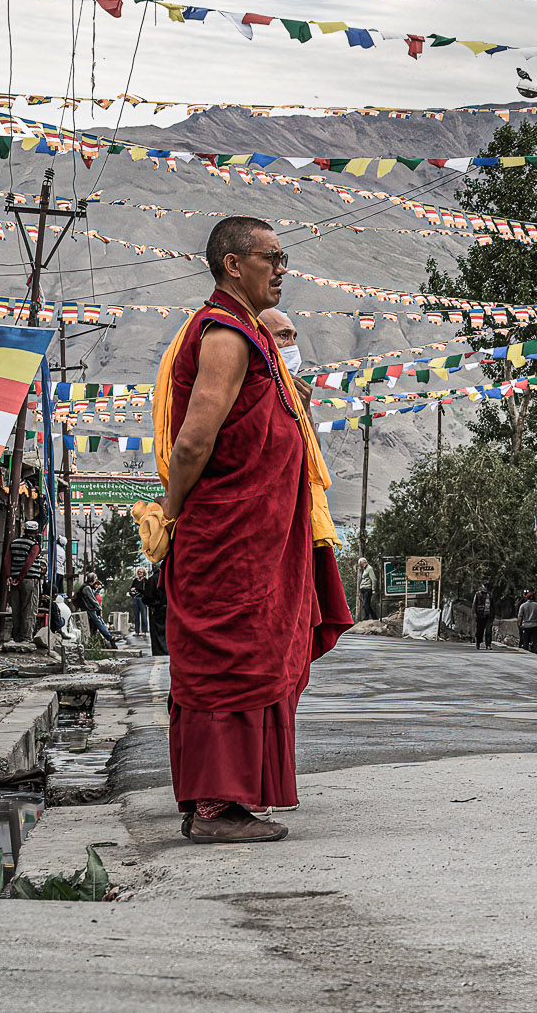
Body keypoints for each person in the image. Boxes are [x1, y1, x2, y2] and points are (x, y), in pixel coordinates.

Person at [156, 215, 352, 845]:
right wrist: (172, 513)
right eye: (271, 257)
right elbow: (194, 441)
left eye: (283, 258)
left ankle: (230, 800)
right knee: (231, 662)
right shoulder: (225, 336)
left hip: (256, 534)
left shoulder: (251, 335)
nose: (281, 269)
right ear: (233, 265)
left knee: (257, 655)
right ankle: (216, 810)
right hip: (228, 534)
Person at [7, 521, 45, 644]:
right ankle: (26, 637)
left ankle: (16, 636)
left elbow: (7, 560)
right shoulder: (34, 545)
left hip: (14, 579)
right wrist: (20, 577)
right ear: (35, 532)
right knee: (29, 608)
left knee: (16, 609)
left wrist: (10, 576)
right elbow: (29, 562)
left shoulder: (14, 543)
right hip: (29, 579)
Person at [473, 583, 496, 650]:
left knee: (488, 630)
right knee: (479, 630)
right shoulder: (478, 594)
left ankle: (488, 644)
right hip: (480, 615)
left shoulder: (490, 595)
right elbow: (474, 604)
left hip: (489, 615)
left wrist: (493, 614)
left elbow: (493, 606)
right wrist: (474, 613)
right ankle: (478, 643)